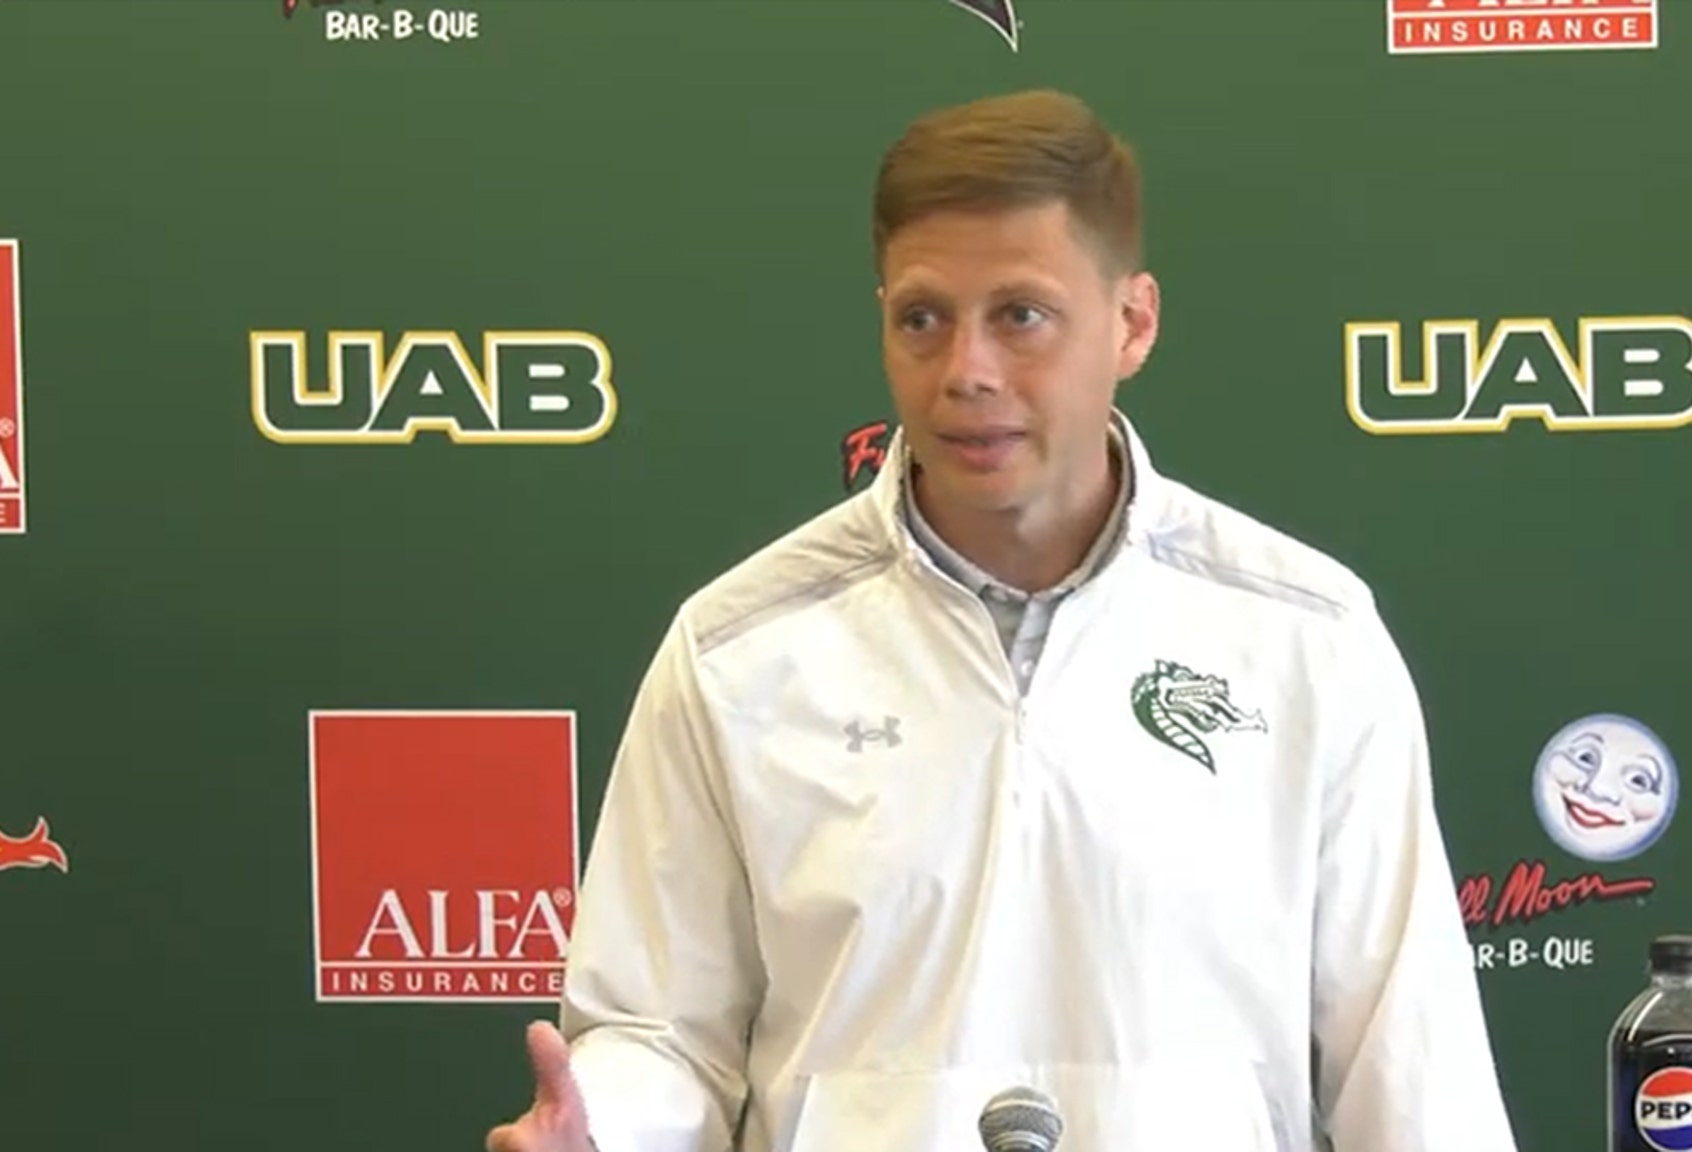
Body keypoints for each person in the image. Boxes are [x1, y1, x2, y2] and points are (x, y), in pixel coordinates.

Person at [486, 87, 1518, 1152]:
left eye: (1020, 315)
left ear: (1132, 323)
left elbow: (1409, 1063)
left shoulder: (1307, 636)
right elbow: (665, 1034)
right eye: (921, 319)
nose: (966, 372)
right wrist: (601, 1127)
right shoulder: (736, 648)